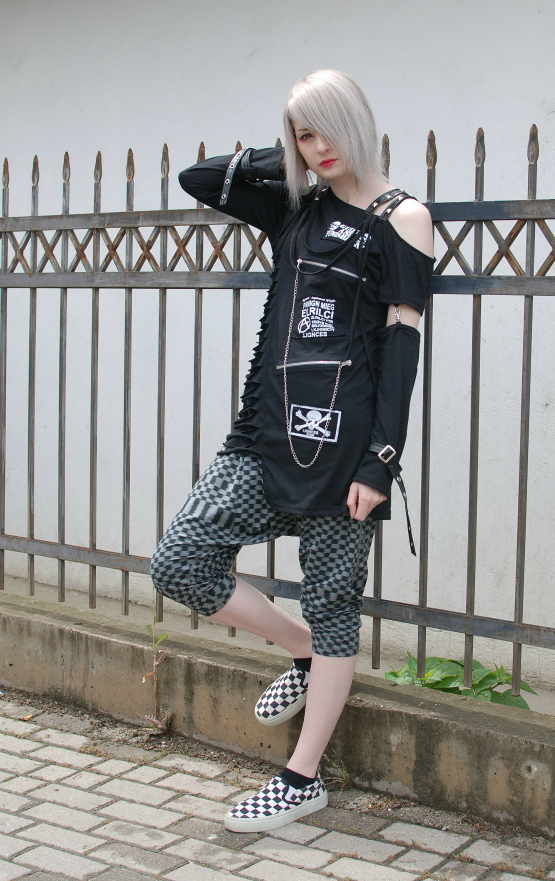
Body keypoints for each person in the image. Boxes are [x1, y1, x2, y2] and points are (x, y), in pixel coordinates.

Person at [151, 69, 434, 832]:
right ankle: (304, 651)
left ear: (358, 123)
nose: (319, 147)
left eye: (328, 129)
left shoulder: (403, 218)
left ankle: (302, 777)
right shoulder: (295, 207)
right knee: (180, 560)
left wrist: (381, 461)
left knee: (335, 603)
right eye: (305, 135)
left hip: (347, 451)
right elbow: (198, 177)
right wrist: (286, 155)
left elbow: (402, 347)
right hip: (264, 434)